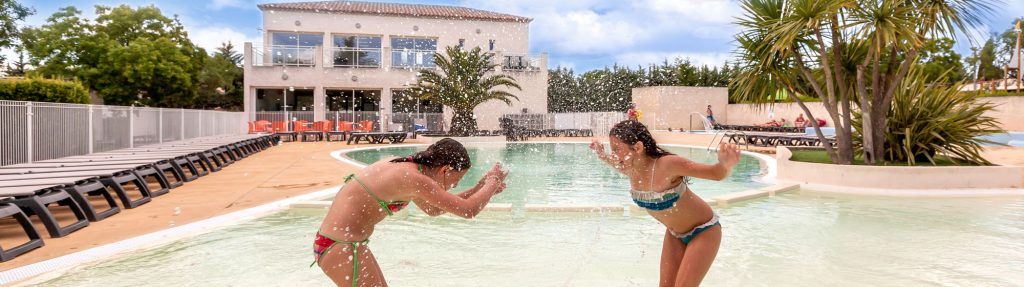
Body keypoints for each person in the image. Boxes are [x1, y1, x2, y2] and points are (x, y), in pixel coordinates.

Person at [313, 138, 508, 287]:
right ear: (444, 170)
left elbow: (433, 209)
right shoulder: (414, 178)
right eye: (456, 180)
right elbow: (469, 210)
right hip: (341, 246)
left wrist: (478, 188)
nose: (455, 185)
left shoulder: (411, 171)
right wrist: (493, 183)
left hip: (342, 245)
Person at [589, 120, 740, 287]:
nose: (615, 155)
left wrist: (725, 165)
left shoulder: (668, 165)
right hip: (675, 234)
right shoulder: (631, 169)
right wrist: (601, 153)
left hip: (704, 231)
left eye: (617, 149)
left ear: (638, 148)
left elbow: (715, 174)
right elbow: (612, 161)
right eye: (613, 150)